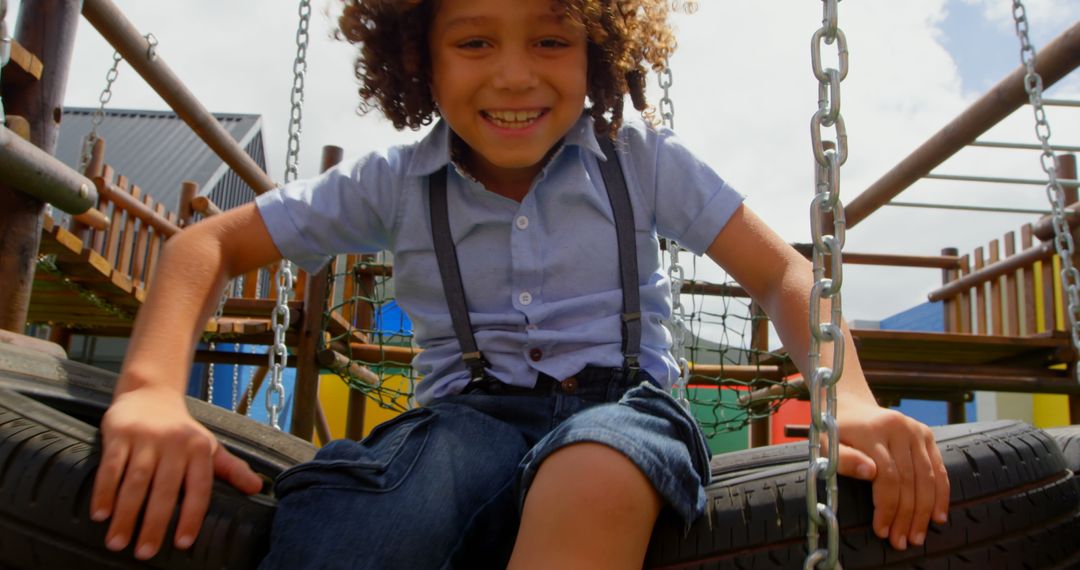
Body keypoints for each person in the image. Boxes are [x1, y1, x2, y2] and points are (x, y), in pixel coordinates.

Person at [90, 0, 950, 567]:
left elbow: (780, 272)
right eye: (473, 41)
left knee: (595, 473)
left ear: (597, 52)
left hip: (626, 407)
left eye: (550, 39)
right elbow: (208, 246)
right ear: (418, 56)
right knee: (359, 528)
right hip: (463, 420)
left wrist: (856, 400)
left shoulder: (638, 162)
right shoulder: (394, 181)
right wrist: (152, 391)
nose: (513, 74)